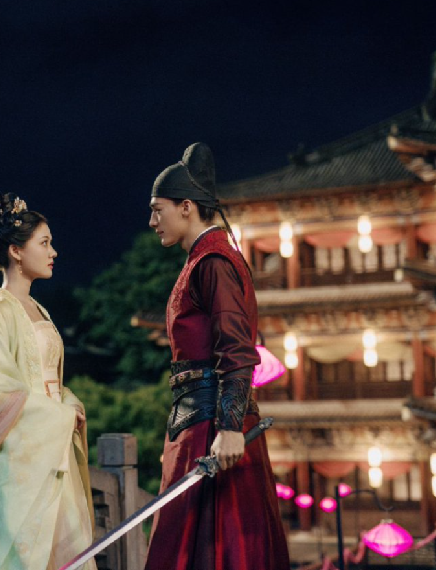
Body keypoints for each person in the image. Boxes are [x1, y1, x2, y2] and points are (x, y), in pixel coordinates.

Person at [144, 143, 290, 569]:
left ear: (187, 207)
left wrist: (228, 428)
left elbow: (236, 349)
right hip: (198, 425)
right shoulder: (204, 259)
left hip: (213, 428)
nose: (152, 221)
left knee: (217, 549)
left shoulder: (213, 261)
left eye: (158, 210)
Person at [0, 192, 96, 570]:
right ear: (16, 251)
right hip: (20, 465)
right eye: (44, 243)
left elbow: (50, 381)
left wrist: (69, 404)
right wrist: (58, 416)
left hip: (52, 453)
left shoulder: (39, 309)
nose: (53, 252)